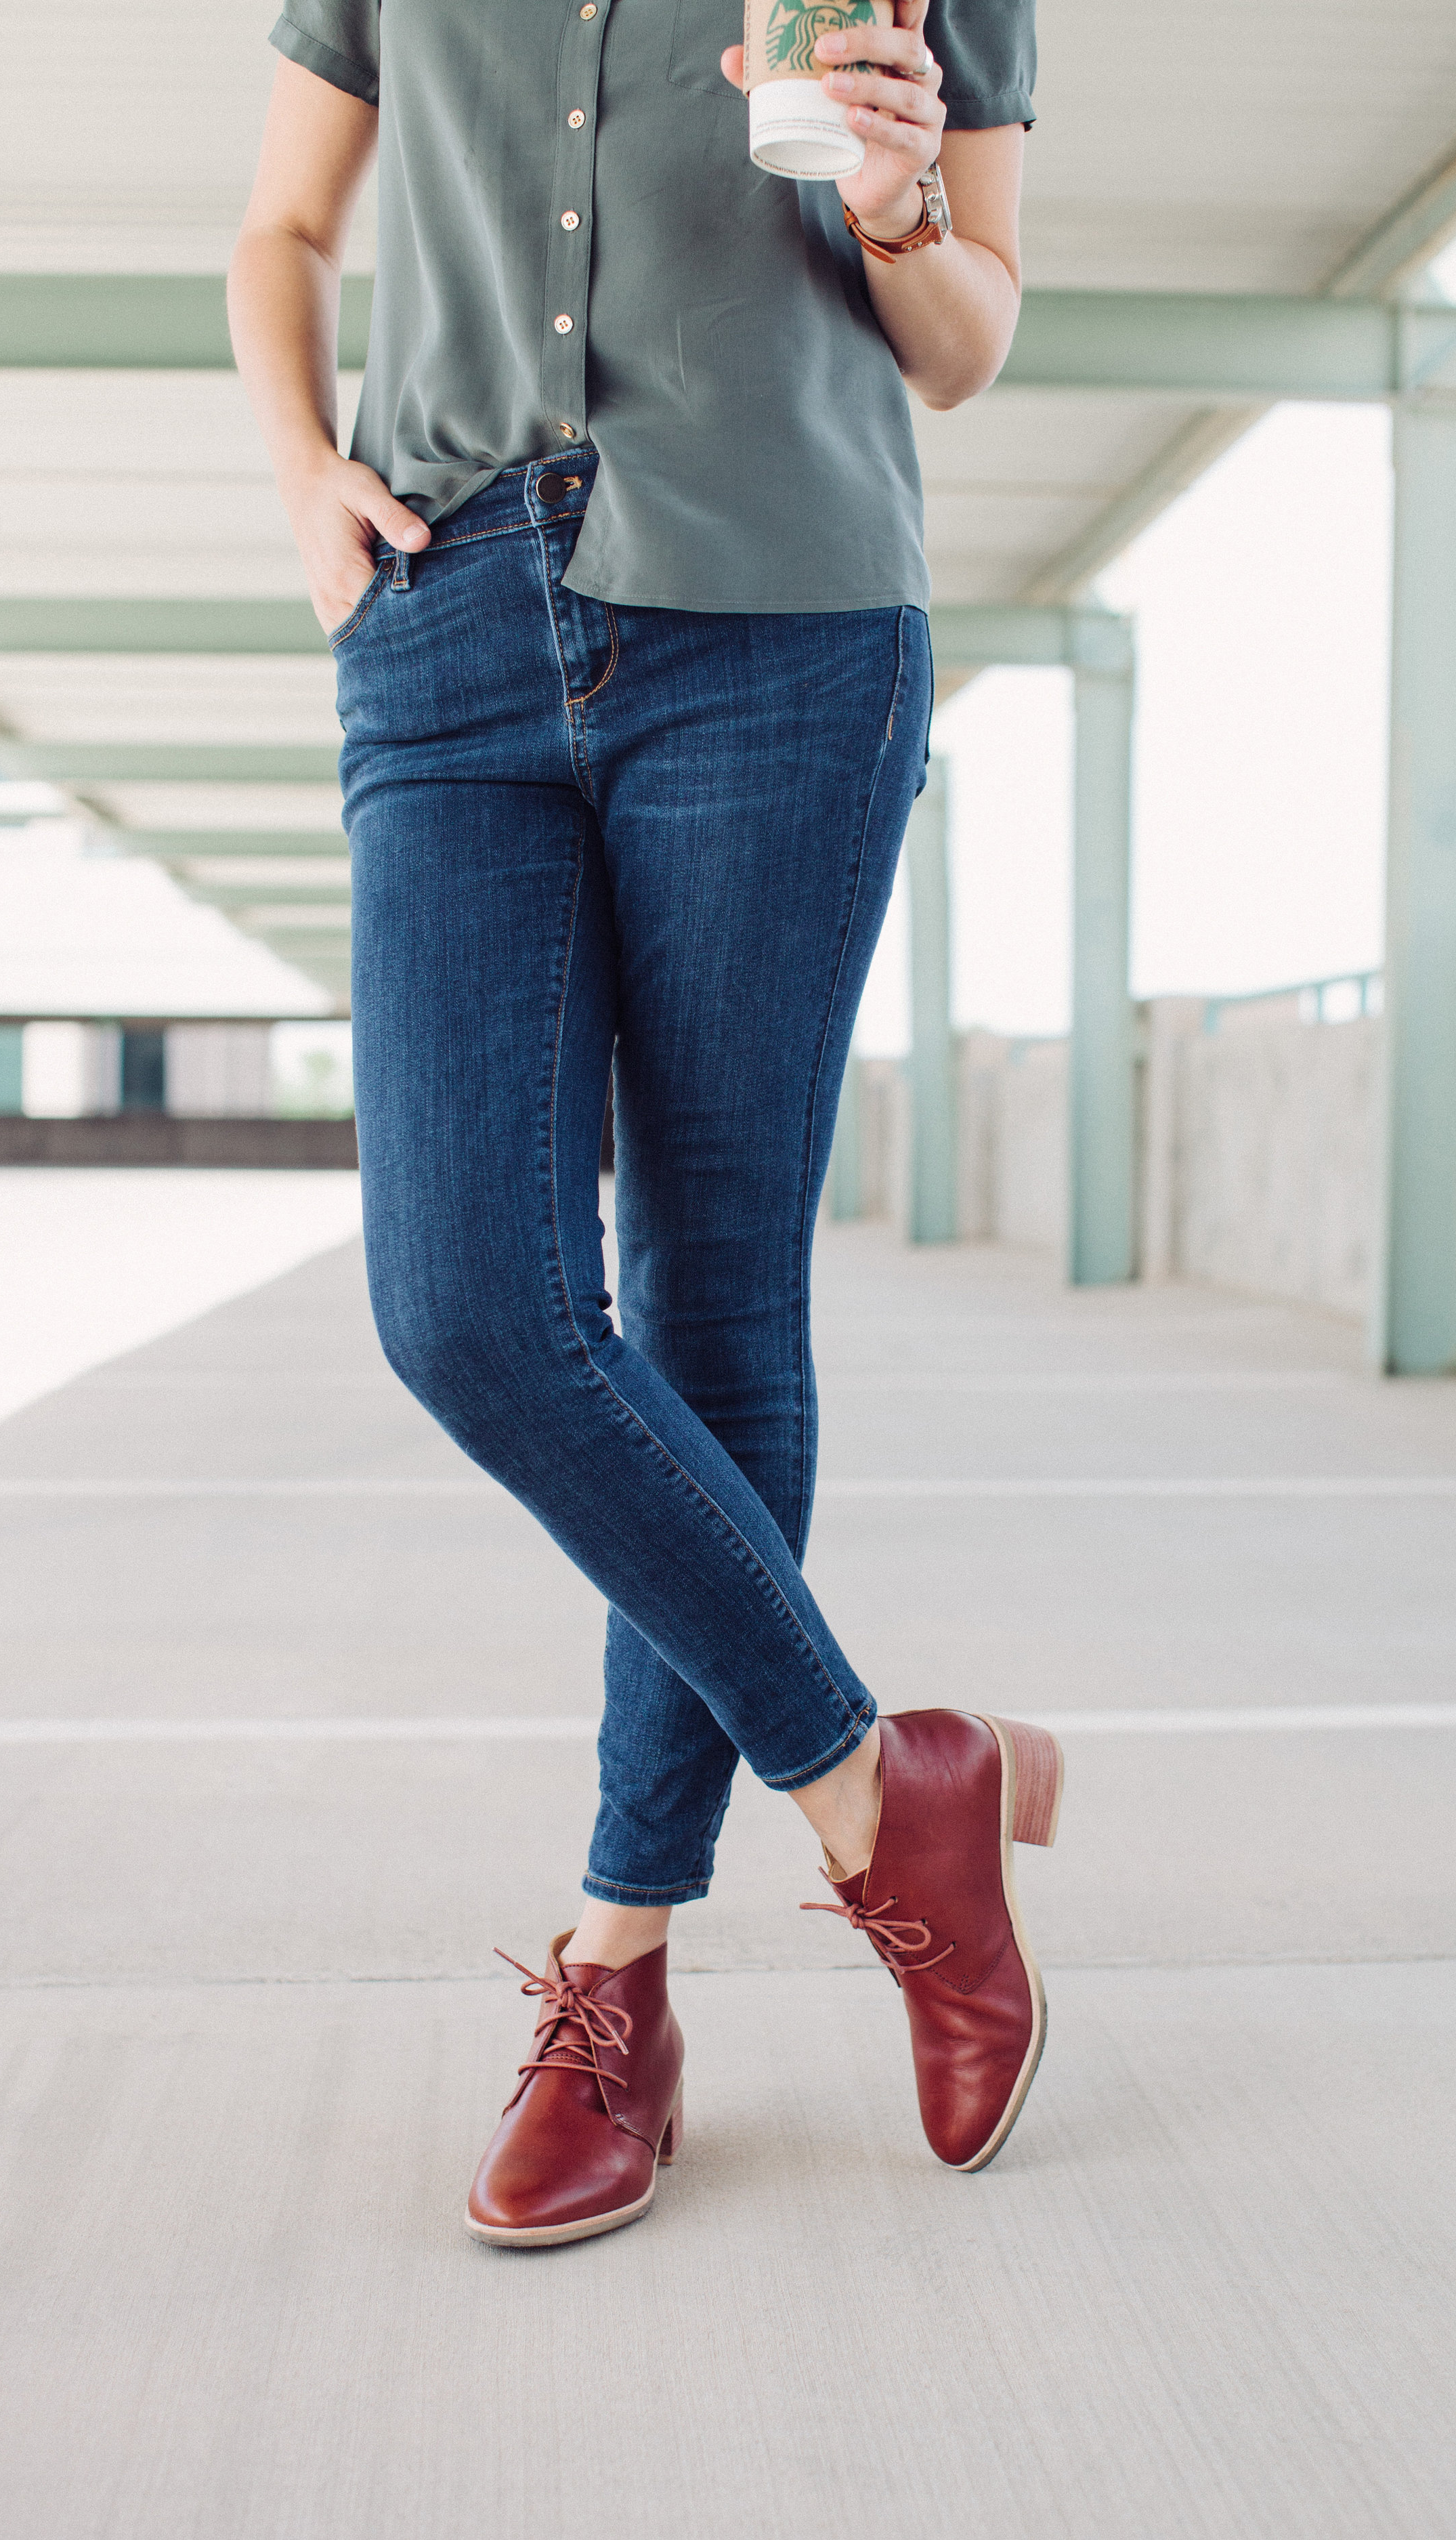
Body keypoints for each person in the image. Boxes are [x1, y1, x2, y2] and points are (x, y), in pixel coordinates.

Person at [230, 0, 1061, 2249]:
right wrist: (306, 472)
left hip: (780, 640)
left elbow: (965, 339)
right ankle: (889, 1799)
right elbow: (283, 226)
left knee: (713, 1304)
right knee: (474, 1308)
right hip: (441, 627)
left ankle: (619, 1974)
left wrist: (893, 199)